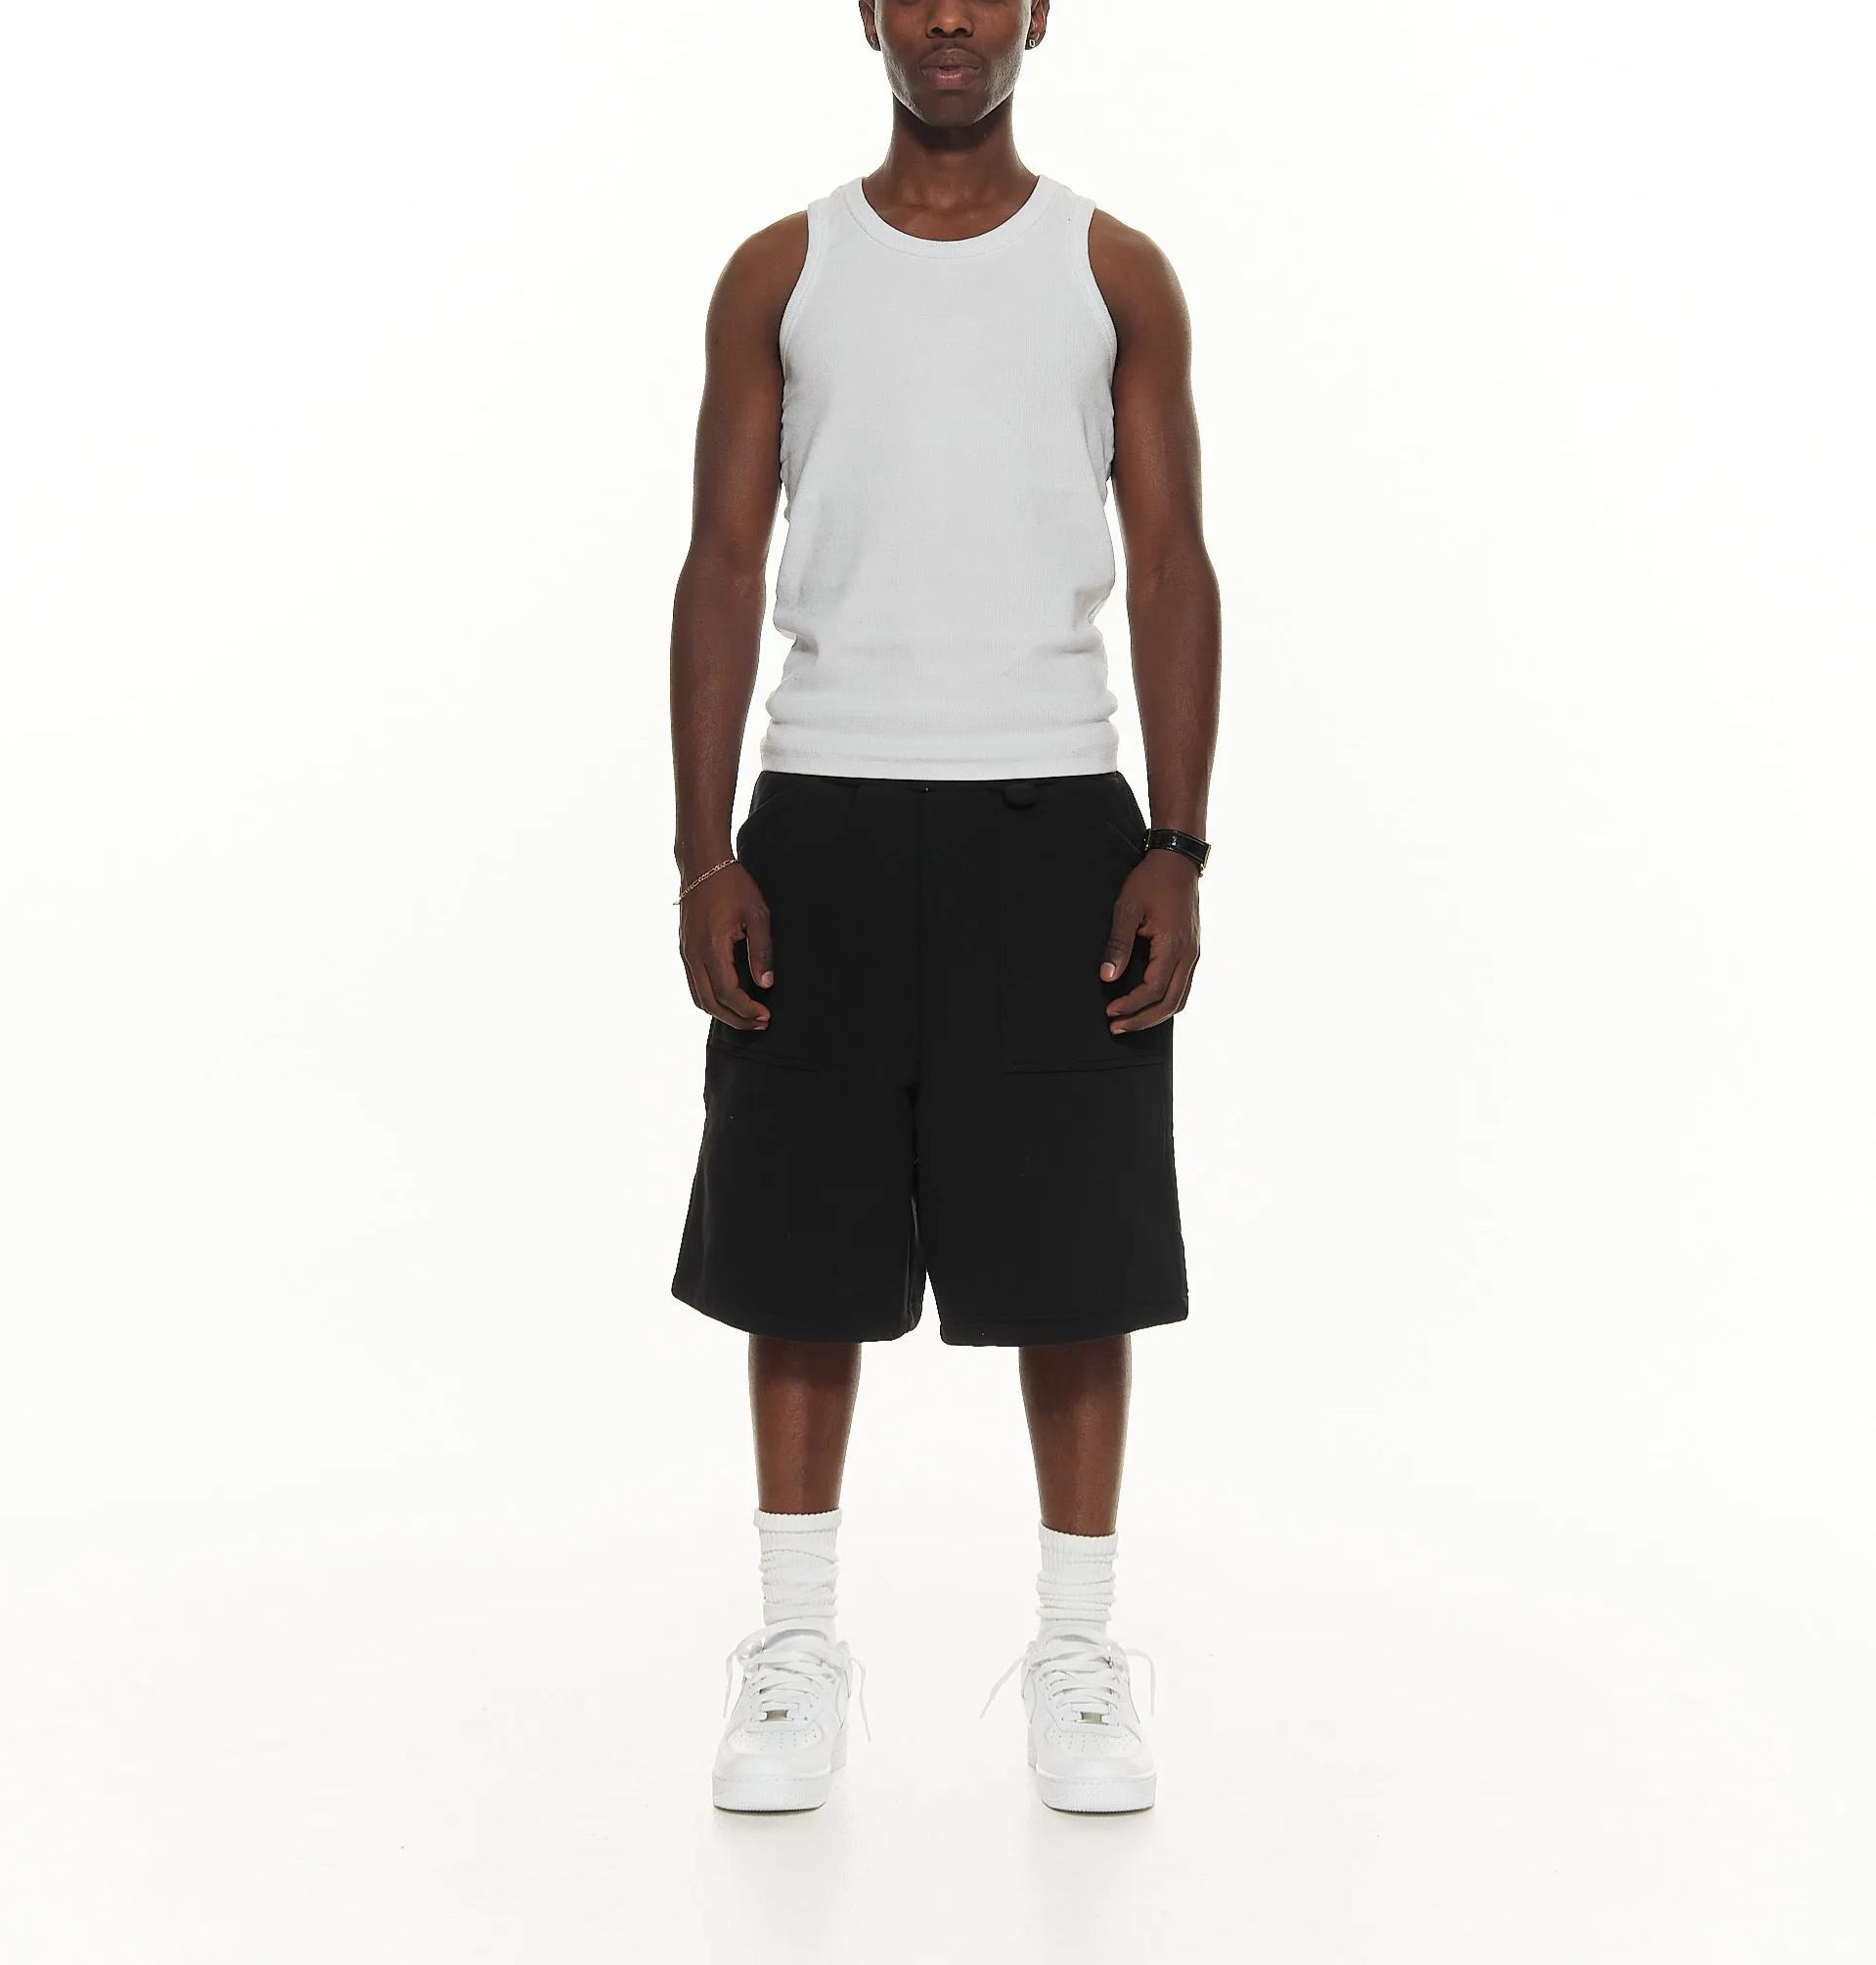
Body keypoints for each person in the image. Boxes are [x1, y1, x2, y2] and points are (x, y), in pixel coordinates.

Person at [668, 2, 1220, 1816]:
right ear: (869, 13)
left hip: (1052, 809)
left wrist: (1176, 841)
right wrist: (703, 852)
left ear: (1039, 9)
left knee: (1074, 1255)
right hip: (822, 804)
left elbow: (1169, 561)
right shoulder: (781, 271)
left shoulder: (1112, 271)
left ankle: (1076, 1653)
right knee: (798, 1245)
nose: (950, 17)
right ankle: (793, 1650)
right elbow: (722, 561)